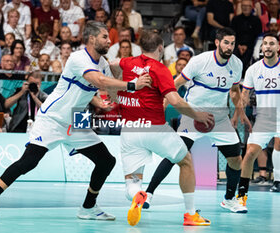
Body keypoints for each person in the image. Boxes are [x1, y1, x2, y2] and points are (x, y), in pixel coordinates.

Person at [0, 21, 151, 221]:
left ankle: (88, 207)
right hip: (53, 118)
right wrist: (132, 85)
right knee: (29, 161)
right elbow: (99, 81)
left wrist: (130, 93)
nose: (109, 41)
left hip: (76, 120)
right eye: (104, 37)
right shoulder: (77, 58)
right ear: (92, 39)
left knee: (106, 161)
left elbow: (110, 89)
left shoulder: (103, 63)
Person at [143, 28, 251, 214]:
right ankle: (148, 194)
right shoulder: (200, 61)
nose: (230, 47)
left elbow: (234, 91)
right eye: (226, 42)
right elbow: (175, 84)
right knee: (174, 154)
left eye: (232, 43)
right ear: (217, 42)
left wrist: (239, 111)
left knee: (235, 159)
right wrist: (163, 102)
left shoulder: (237, 64)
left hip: (218, 118)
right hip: (192, 116)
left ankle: (229, 199)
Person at [110, 29, 213, 226]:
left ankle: (138, 195)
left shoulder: (127, 62)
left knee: (132, 182)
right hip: (155, 128)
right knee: (186, 162)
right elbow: (174, 100)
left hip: (130, 130)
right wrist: (197, 115)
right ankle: (190, 214)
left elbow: (112, 64)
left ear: (140, 48)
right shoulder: (160, 69)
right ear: (160, 48)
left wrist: (117, 88)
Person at [237, 33, 280, 207]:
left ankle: (277, 180)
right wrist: (240, 113)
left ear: (278, 47)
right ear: (261, 48)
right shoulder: (253, 69)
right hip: (263, 118)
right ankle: (241, 195)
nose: (268, 47)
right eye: (265, 44)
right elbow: (245, 95)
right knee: (249, 154)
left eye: (272, 43)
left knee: (279, 145)